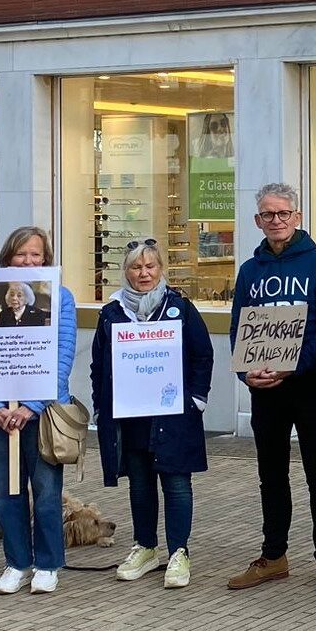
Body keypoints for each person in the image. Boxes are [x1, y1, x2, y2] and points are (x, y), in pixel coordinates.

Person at [228, 183, 316, 595]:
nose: (275, 221)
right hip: (265, 387)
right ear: (257, 220)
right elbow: (238, 329)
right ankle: (274, 555)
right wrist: (247, 375)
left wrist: (290, 367)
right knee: (270, 473)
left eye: (282, 214)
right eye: (267, 215)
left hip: (310, 384)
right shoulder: (249, 270)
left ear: (296, 217)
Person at [93, 238, 213, 589]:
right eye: (136, 267)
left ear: (161, 269)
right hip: (131, 417)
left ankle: (179, 552)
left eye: (150, 266)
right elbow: (98, 365)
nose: (143, 273)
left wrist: (196, 400)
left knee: (176, 483)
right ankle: (146, 547)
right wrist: (103, 407)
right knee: (141, 485)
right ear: (126, 271)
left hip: (173, 414)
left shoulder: (180, 308)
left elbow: (202, 356)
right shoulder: (111, 313)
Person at [0, 228, 77, 595]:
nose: (29, 261)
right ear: (7, 259)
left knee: (47, 491)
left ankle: (48, 564)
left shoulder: (59, 299)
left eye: (36, 255)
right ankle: (17, 561)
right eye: (21, 255)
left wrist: (32, 407)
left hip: (43, 412)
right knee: (5, 491)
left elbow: (61, 358)